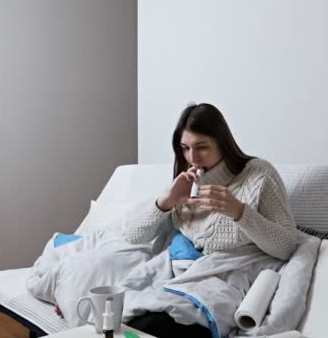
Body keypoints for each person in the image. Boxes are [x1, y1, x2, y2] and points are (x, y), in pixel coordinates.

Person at [123, 102, 298, 337]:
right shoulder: (185, 181)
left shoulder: (259, 174)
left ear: (222, 143)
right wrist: (166, 200)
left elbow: (286, 246)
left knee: (149, 326)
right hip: (176, 278)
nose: (192, 157)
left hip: (219, 286)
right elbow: (133, 236)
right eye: (185, 148)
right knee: (126, 322)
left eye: (201, 147)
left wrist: (240, 212)